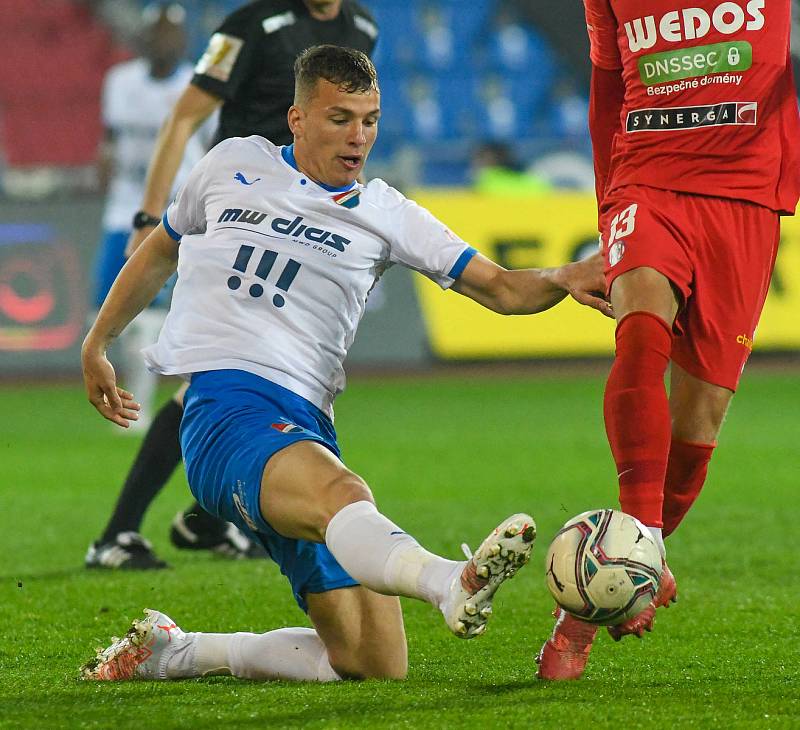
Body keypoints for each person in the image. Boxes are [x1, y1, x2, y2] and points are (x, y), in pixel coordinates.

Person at [80, 45, 611, 683]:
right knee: (344, 495)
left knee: (370, 661)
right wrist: (98, 341)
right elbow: (161, 250)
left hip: (305, 426)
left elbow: (501, 288)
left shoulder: (387, 213)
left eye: (370, 119)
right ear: (297, 118)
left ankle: (183, 650)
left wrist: (563, 274)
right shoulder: (231, 164)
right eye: (339, 119)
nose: (358, 137)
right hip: (225, 413)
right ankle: (450, 581)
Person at [537, 0, 800, 681]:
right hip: (646, 178)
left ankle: (602, 589)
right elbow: (607, 88)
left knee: (699, 421)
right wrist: (606, 211)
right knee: (641, 338)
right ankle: (633, 564)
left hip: (745, 193)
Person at [85, 0, 379, 570]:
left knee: (272, 378)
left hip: (306, 231)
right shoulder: (249, 25)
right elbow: (183, 118)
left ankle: (203, 521)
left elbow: (353, 125)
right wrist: (149, 217)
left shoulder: (362, 27)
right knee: (211, 378)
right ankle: (119, 534)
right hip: (242, 218)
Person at [90, 2, 207, 439]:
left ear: (182, 38)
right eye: (156, 32)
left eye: (171, 32)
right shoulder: (119, 82)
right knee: (101, 311)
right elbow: (110, 138)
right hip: (123, 208)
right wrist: (101, 167)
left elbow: (212, 147)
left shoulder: (197, 85)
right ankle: (121, 392)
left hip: (174, 213)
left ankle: (137, 406)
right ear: (143, 37)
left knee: (156, 315)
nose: (164, 40)